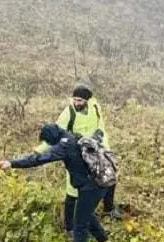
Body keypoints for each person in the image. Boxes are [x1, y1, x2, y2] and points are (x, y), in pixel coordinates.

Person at [0, 124, 112, 242]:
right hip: (101, 182)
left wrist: (12, 163)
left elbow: (39, 159)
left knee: (80, 225)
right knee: (85, 214)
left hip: (91, 186)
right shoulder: (74, 136)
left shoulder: (64, 145)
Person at [35, 84, 121, 234]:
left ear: (88, 100)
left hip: (96, 147)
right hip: (76, 152)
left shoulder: (95, 107)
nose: (76, 103)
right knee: (72, 190)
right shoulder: (68, 112)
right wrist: (40, 150)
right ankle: (69, 227)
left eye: (80, 100)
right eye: (74, 100)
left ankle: (108, 209)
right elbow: (55, 132)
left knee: (109, 176)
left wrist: (100, 137)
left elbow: (100, 125)